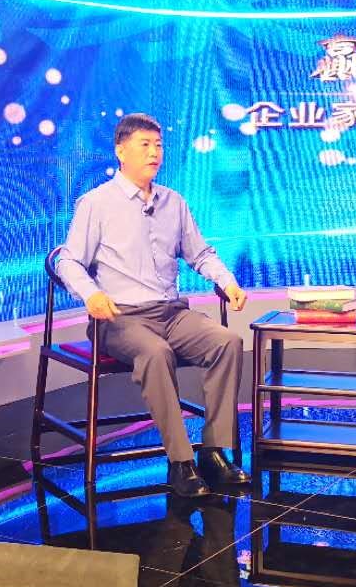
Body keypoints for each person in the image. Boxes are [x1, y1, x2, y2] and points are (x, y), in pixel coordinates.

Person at [55, 113, 249, 498]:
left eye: (158, 145)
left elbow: (200, 254)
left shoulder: (173, 202)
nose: (154, 152)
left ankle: (213, 452)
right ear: (120, 151)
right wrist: (91, 294)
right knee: (157, 353)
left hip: (171, 313)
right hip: (120, 318)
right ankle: (180, 462)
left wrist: (227, 280)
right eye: (144, 145)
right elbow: (68, 261)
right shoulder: (96, 203)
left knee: (227, 343)